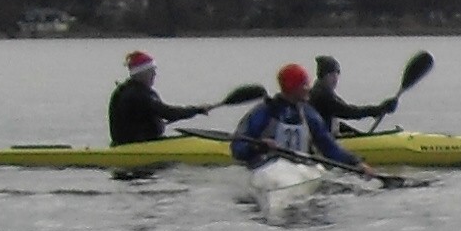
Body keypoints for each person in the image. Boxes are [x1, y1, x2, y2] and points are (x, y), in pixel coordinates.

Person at [228, 64, 371, 172]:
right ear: (292, 87)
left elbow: (329, 148)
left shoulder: (309, 115)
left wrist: (357, 163)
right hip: (266, 170)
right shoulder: (264, 112)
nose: (308, 88)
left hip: (301, 171)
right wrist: (257, 146)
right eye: (304, 84)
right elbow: (237, 148)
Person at [106, 51, 211, 145]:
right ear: (141, 73)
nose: (155, 74)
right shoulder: (138, 95)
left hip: (132, 143)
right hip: (138, 146)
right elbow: (169, 113)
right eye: (151, 71)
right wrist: (197, 110)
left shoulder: (126, 90)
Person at [307, 56, 397, 137]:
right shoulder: (321, 95)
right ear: (321, 76)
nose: (335, 78)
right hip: (320, 143)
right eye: (331, 74)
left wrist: (358, 134)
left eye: (337, 73)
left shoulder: (325, 91)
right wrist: (379, 109)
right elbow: (349, 112)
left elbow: (344, 111)